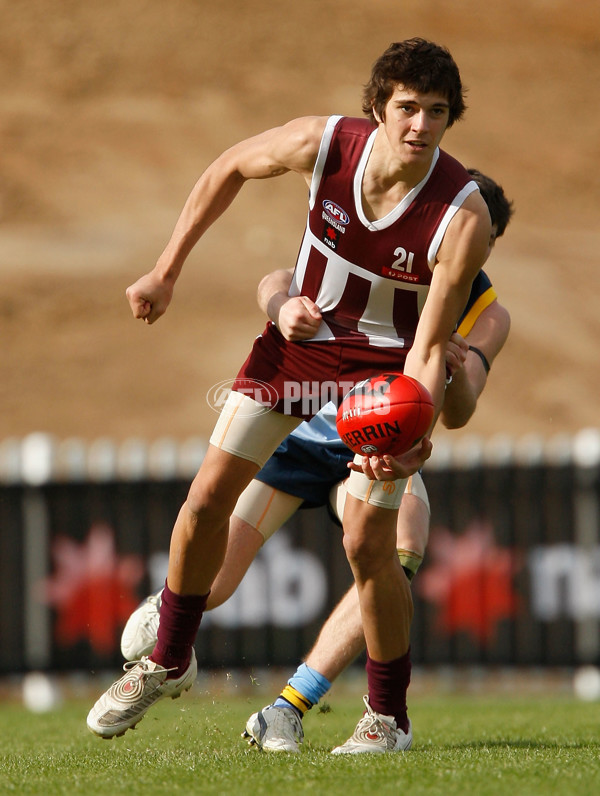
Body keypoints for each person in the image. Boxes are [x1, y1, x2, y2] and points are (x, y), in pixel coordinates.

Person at [87, 38, 492, 752]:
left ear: (450, 118)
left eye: (436, 112)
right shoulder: (325, 142)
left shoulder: (463, 218)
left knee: (373, 548)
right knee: (206, 500)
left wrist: (413, 435)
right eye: (406, 108)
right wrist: (166, 270)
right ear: (378, 106)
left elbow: (428, 345)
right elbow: (227, 167)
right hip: (296, 355)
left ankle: (386, 719)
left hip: (378, 379)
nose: (420, 125)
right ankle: (169, 659)